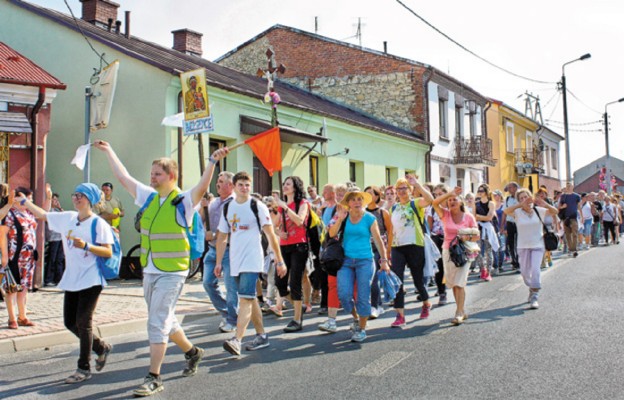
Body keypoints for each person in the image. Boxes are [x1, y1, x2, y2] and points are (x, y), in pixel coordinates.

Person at [94, 140, 227, 397]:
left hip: (173, 272)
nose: (152, 177)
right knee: (166, 319)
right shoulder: (150, 197)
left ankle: (154, 376)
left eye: (157, 173)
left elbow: (201, 187)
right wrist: (110, 150)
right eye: (151, 173)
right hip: (150, 269)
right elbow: (123, 178)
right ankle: (192, 352)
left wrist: (212, 162)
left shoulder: (184, 201)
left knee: (157, 321)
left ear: (171, 176)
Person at [17, 183, 114, 383]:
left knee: (83, 322)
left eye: (81, 195)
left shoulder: (98, 224)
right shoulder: (68, 218)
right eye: (75, 194)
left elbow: (108, 251)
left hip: (91, 278)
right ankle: (100, 347)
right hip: (72, 278)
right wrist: (25, 202)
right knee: (70, 322)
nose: (76, 198)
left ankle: (83, 368)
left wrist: (87, 245)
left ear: (90, 200)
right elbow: (43, 215)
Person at [217, 171, 286, 356]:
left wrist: (279, 261)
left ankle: (237, 340)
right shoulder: (228, 207)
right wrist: (218, 262)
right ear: (234, 186)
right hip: (235, 260)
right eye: (241, 185)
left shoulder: (258, 206)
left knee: (245, 298)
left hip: (252, 258)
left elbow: (270, 234)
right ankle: (262, 336)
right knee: (251, 298)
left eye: (247, 185)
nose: (244, 188)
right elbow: (223, 236)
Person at [329, 187, 389, 342]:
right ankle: (356, 318)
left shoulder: (369, 218)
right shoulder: (344, 216)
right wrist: (340, 219)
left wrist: (384, 261)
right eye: (353, 199)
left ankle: (361, 329)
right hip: (346, 261)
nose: (357, 202)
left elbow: (378, 239)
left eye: (359, 199)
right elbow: (331, 234)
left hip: (365, 261)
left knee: (363, 296)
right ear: (348, 203)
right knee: (344, 294)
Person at [388, 175, 433, 327]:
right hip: (397, 247)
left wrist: (418, 185)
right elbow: (391, 231)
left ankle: (426, 303)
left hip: (415, 245)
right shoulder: (393, 207)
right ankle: (400, 315)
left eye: (404, 188)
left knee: (418, 280)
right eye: (398, 189)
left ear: (410, 189)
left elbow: (430, 200)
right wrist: (387, 252)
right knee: (397, 281)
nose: (401, 191)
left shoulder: (415, 203)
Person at [503, 188, 558, 309]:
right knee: (524, 273)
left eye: (526, 197)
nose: (524, 200)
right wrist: (519, 205)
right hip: (523, 246)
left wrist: (545, 204)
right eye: (521, 198)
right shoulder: (517, 213)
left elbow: (555, 211)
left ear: (531, 198)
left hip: (538, 245)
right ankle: (532, 287)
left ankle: (535, 296)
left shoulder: (539, 211)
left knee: (535, 269)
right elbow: (506, 211)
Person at [432, 186, 478, 325]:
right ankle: (462, 311)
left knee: (460, 282)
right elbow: (434, 203)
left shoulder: (468, 216)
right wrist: (449, 194)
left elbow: (477, 235)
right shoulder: (445, 214)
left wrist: (465, 236)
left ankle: (458, 312)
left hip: (464, 251)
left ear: (461, 202)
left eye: (455, 199)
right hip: (448, 251)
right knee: (454, 284)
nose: (452, 202)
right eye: (450, 200)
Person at [200, 171, 237, 333]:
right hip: (212, 249)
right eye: (218, 181)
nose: (218, 184)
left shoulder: (234, 203)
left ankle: (232, 320)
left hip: (229, 249)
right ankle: (227, 312)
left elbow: (233, 227)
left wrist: (215, 234)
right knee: (208, 283)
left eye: (221, 181)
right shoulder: (214, 202)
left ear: (230, 185)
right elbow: (201, 219)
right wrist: (203, 208)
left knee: (230, 287)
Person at [1, 186, 42, 329]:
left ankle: (22, 316)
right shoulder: (10, 214)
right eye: (27, 199)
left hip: (29, 257)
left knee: (24, 287)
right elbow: (2, 234)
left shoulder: (29, 213)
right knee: (12, 288)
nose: (29, 202)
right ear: (18, 199)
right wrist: (5, 256)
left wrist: (48, 198)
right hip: (14, 256)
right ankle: (12, 318)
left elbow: (44, 214)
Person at [274, 176, 310, 333]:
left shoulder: (302, 203)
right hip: (284, 246)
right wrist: (279, 233)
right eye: (284, 184)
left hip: (299, 246)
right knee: (280, 282)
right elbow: (272, 226)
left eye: (288, 184)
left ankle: (297, 319)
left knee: (295, 281)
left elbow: (300, 221)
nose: (285, 186)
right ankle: (298, 305)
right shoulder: (281, 207)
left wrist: (285, 207)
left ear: (295, 187)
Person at [364, 185, 392, 319]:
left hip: (379, 248)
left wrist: (388, 251)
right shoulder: (361, 212)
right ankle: (378, 305)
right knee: (369, 278)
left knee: (373, 278)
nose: (368, 196)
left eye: (371, 193)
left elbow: (390, 232)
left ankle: (374, 306)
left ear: (377, 196)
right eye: (366, 193)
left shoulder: (382, 212)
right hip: (364, 248)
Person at [428, 185, 448, 305]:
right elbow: (430, 225)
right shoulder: (432, 208)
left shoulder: (452, 205)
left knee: (451, 265)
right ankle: (442, 292)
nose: (438, 196)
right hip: (437, 237)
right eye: (436, 194)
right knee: (439, 266)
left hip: (450, 238)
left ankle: (457, 288)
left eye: (440, 193)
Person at [474, 184, 497, 282]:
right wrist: (479, 217)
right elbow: (473, 216)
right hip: (478, 228)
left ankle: (488, 272)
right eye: (479, 190)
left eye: (482, 190)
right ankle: (482, 269)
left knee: (488, 250)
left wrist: (478, 217)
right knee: (477, 250)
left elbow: (489, 217)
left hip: (487, 228)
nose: (480, 192)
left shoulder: (491, 203)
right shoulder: (476, 203)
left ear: (486, 192)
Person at [44, 192, 66, 286]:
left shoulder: (57, 211)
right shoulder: (49, 211)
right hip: (53, 238)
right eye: (54, 199)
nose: (56, 201)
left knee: (60, 259)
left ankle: (59, 278)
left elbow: (65, 219)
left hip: (61, 237)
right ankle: (49, 278)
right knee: (52, 259)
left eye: (57, 200)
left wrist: (60, 208)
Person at [558, 183, 582, 257]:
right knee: (568, 235)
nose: (569, 187)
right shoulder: (563, 196)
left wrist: (581, 216)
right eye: (567, 186)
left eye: (570, 186)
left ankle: (574, 249)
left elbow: (579, 207)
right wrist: (563, 206)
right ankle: (571, 249)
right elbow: (559, 207)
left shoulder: (576, 196)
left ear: (572, 187)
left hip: (574, 217)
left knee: (575, 233)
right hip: (565, 218)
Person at [502, 182, 521, 270]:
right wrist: (502, 225)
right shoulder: (507, 199)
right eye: (508, 188)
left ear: (515, 188)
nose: (509, 189)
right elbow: (504, 212)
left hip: (519, 223)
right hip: (510, 223)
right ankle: (514, 261)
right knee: (511, 243)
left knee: (519, 242)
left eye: (510, 187)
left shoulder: (520, 198)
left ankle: (518, 260)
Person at [492, 189, 506, 273]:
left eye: (496, 195)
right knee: (494, 247)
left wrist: (505, 228)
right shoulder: (492, 205)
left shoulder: (503, 205)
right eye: (493, 195)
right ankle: (496, 265)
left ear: (500, 196)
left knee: (502, 247)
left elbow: (506, 217)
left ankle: (500, 264)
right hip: (493, 228)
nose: (494, 197)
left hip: (502, 228)